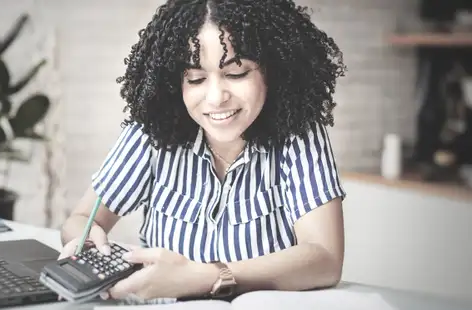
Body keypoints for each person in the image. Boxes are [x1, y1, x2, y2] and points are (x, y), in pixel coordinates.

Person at [60, 0, 347, 302]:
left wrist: (205, 277)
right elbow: (82, 218)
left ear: (273, 70)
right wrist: (85, 239)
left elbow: (324, 258)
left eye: (236, 73)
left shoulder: (297, 133)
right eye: (196, 79)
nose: (216, 97)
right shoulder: (155, 131)